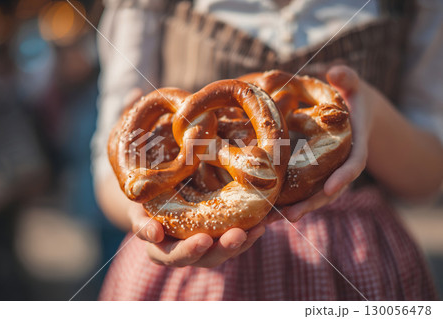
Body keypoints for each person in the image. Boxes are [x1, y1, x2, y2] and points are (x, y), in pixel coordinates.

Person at [91, 0, 443, 300]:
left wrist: (371, 113)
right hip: (187, 280)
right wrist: (143, 218)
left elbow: (428, 177)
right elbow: (116, 174)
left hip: (356, 259)